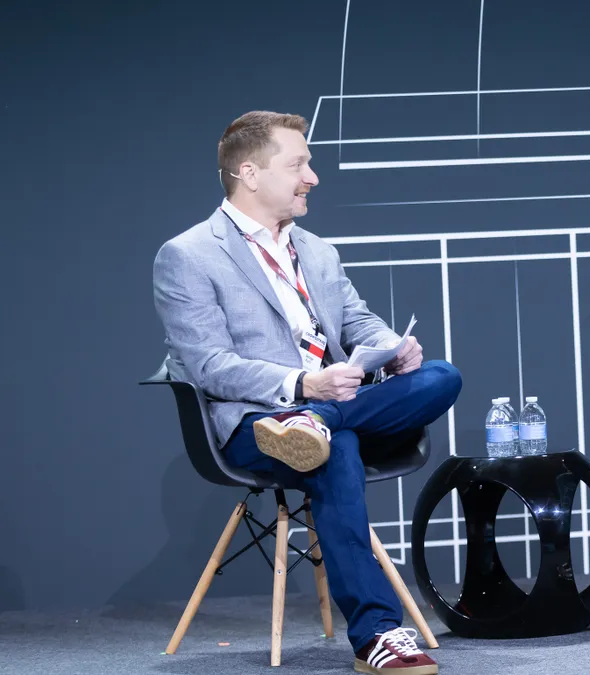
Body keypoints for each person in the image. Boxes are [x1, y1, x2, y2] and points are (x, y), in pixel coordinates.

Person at [152, 110, 459, 674]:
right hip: (256, 424)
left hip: (333, 408)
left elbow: (358, 323)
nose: (312, 176)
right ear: (249, 172)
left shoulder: (317, 251)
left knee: (441, 376)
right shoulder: (189, 256)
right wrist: (300, 385)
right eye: (298, 163)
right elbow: (208, 365)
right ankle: (380, 633)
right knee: (333, 451)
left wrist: (392, 347)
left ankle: (317, 420)